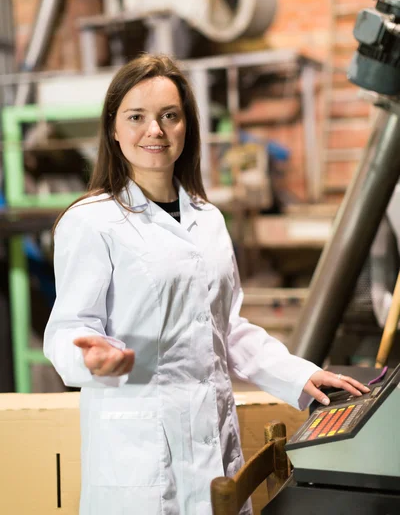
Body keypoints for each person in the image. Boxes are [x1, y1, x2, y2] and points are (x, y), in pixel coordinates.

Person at [43, 54, 370, 515]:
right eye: (136, 117)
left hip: (215, 449)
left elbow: (228, 328)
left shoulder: (208, 218)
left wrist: (300, 374)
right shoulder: (92, 222)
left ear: (186, 128)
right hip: (139, 457)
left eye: (169, 116)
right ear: (114, 129)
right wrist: (90, 357)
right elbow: (66, 330)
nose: (154, 130)